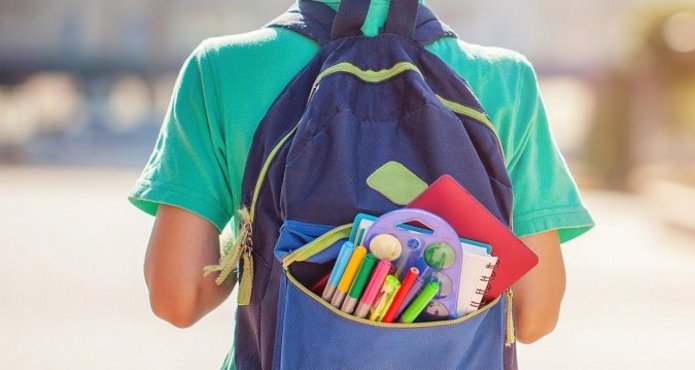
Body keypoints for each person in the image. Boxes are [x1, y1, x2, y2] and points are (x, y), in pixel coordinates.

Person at [128, 0, 594, 366]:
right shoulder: (505, 80)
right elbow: (534, 315)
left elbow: (177, 298)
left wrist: (253, 234)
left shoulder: (221, 68)